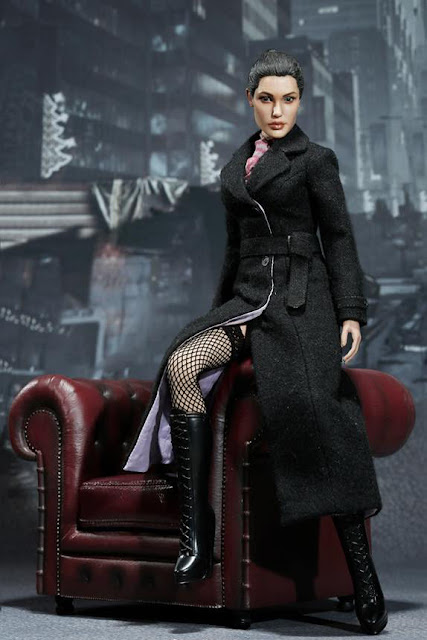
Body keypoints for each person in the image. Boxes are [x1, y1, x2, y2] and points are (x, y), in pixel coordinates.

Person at [122, 49, 387, 635]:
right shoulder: (234, 167)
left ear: (300, 101)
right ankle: (197, 536)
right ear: (250, 100)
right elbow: (236, 250)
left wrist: (350, 312)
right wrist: (220, 313)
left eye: (288, 99)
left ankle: (363, 576)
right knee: (183, 363)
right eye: (266, 99)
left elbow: (338, 237)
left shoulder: (315, 160)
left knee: (318, 413)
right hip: (246, 300)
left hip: (301, 301)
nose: (277, 110)